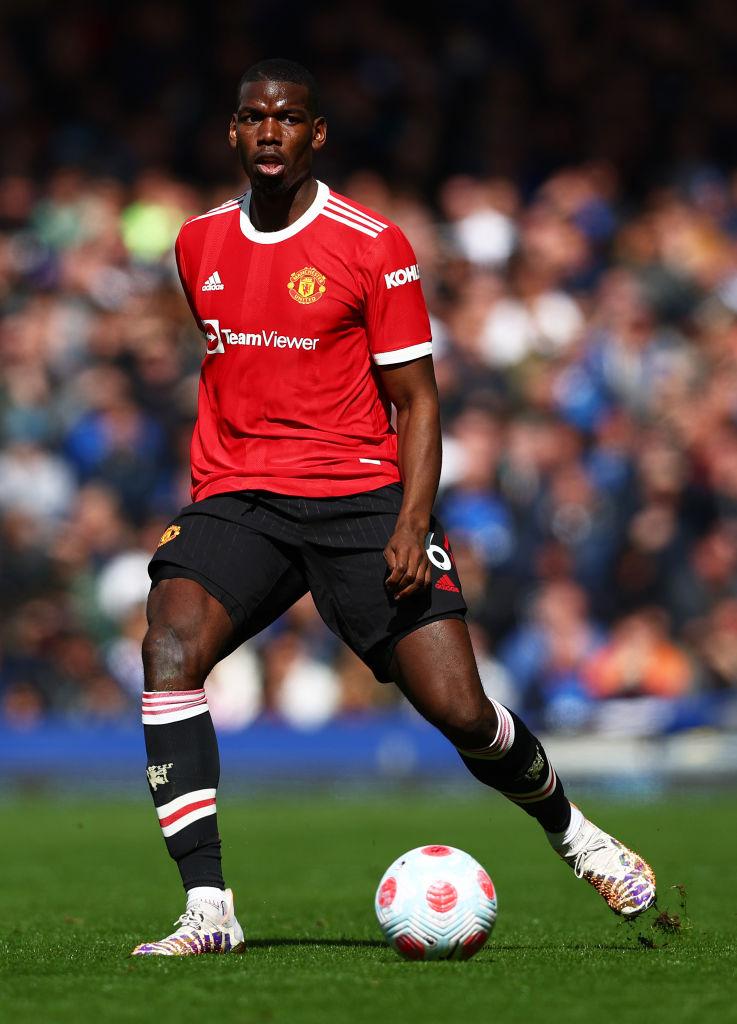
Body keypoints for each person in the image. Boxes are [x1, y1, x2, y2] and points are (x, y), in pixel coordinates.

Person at [131, 59, 655, 957]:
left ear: (316, 134)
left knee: (460, 711)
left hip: (360, 498)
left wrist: (410, 524)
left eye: (287, 118)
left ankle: (574, 834)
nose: (268, 132)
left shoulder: (372, 243)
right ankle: (208, 907)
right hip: (240, 493)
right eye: (253, 117)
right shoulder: (197, 242)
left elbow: (416, 401)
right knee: (168, 647)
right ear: (232, 131)